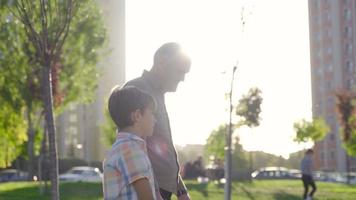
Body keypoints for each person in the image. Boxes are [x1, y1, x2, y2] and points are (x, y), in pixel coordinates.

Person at [124, 42, 191, 200]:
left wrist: (181, 190)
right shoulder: (137, 89)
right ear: (162, 62)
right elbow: (130, 149)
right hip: (147, 192)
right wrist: (153, 191)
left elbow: (162, 147)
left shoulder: (158, 94)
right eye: (180, 71)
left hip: (161, 190)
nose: (183, 79)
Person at [103, 86, 157, 200]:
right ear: (137, 116)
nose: (154, 119)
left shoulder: (119, 148)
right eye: (151, 113)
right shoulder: (130, 150)